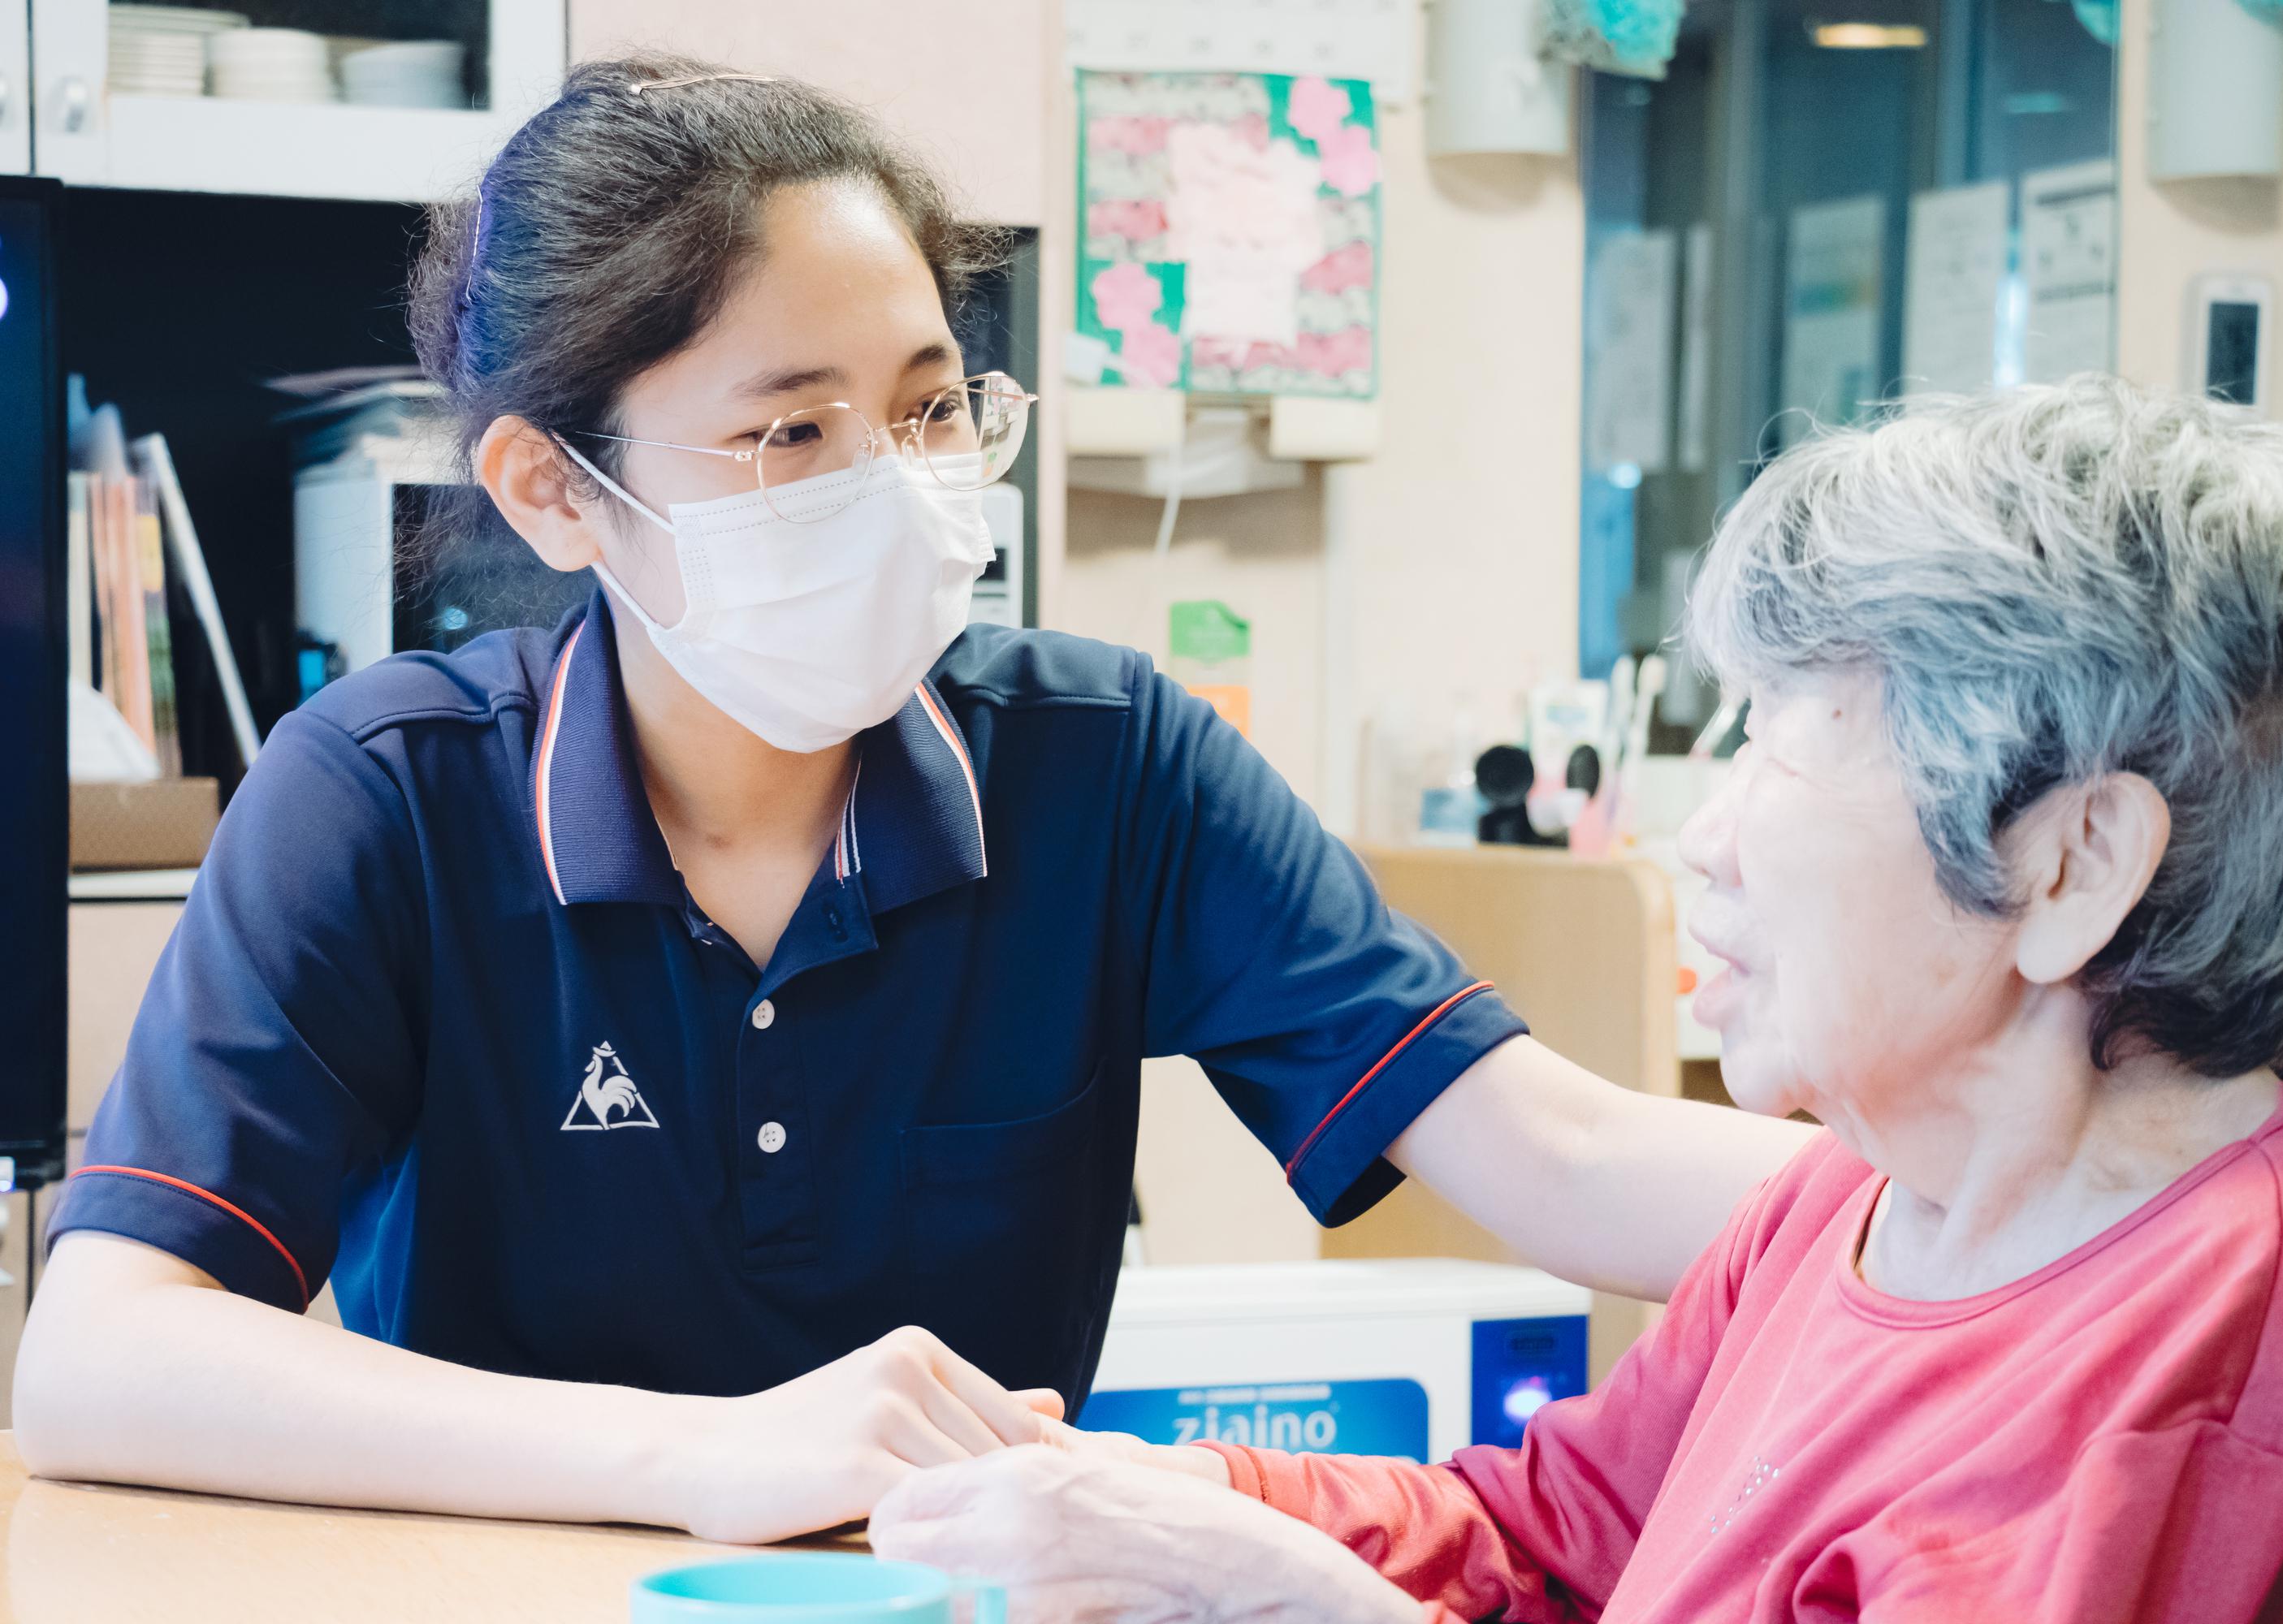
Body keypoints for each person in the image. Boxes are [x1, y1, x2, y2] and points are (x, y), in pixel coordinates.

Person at [11, 56, 1813, 1542]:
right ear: (555, 494)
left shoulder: (1104, 764)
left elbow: (1556, 1148)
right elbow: (101, 1353)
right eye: (792, 433)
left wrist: (2041, 1196)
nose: (893, 489)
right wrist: (709, 1453)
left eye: (931, 409)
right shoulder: (384, 800)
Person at [868, 378, 2283, 1622]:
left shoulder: (2232, 1359)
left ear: (2074, 863)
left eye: (1785, 739)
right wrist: (1164, 1499)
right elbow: (1550, 1547)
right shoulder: (1852, 1205)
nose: (1707, 832)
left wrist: (1289, 1600)